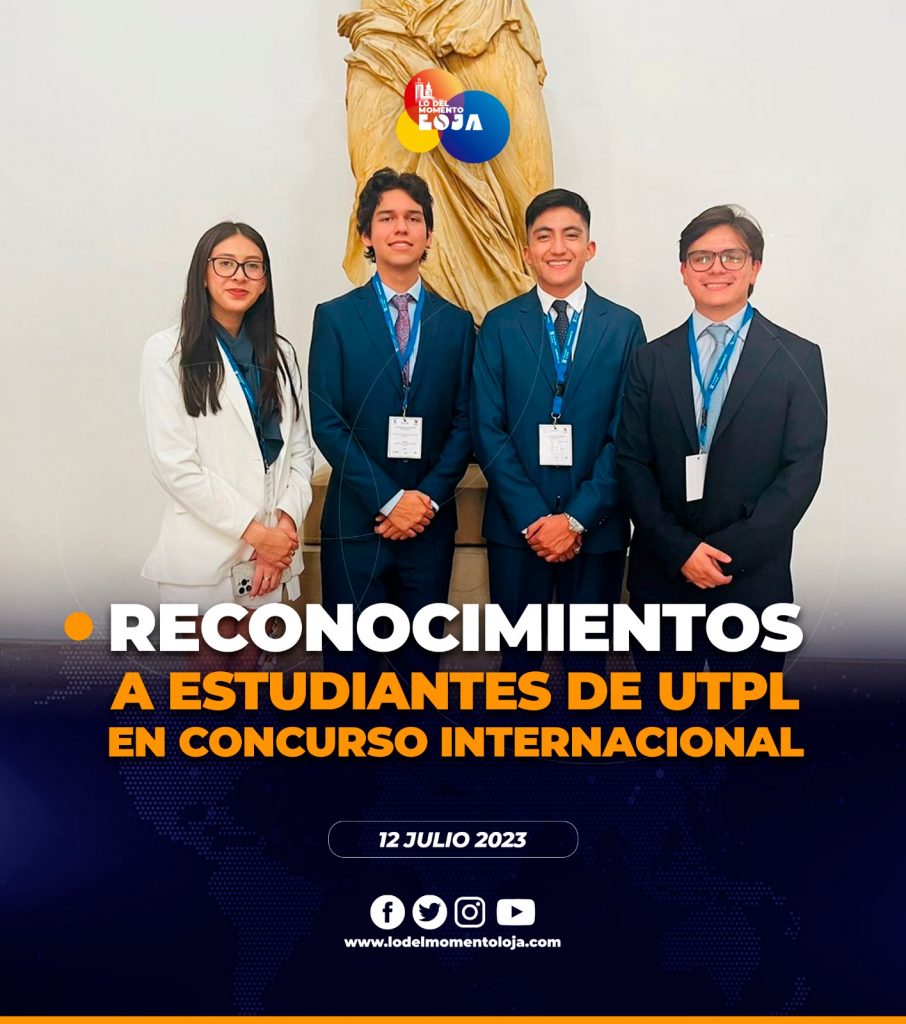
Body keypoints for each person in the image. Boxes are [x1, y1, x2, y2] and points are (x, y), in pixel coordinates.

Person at [616, 204, 828, 678]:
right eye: (701, 257)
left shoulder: (797, 359)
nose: (716, 268)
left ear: (755, 268)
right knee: (666, 716)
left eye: (732, 256)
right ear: (683, 271)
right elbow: (631, 464)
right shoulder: (650, 359)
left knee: (748, 719)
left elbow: (800, 473)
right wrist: (681, 551)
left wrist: (726, 555)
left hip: (753, 584)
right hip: (664, 578)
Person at [308, 167, 475, 680]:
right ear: (366, 235)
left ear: (429, 234)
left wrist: (423, 501)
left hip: (429, 524)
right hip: (356, 523)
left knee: (418, 673)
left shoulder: (457, 324)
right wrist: (389, 499)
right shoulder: (334, 318)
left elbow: (465, 423)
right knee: (348, 674)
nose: (401, 227)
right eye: (387, 218)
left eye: (413, 218)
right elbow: (327, 421)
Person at [472, 188, 646, 673]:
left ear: (590, 248)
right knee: (517, 664)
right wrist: (535, 517)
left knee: (588, 666)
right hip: (517, 530)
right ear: (526, 251)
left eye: (571, 235)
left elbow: (629, 434)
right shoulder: (498, 326)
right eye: (544, 236)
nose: (558, 247)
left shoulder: (625, 328)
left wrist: (574, 520)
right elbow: (487, 429)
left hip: (597, 529)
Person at [140, 222, 314, 668]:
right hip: (204, 556)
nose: (239, 275)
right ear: (203, 273)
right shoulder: (167, 352)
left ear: (265, 281)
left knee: (252, 689)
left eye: (252, 266)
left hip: (269, 562)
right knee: (206, 694)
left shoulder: (282, 354)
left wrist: (282, 531)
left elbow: (300, 454)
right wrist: (259, 536)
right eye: (226, 264)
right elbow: (175, 466)